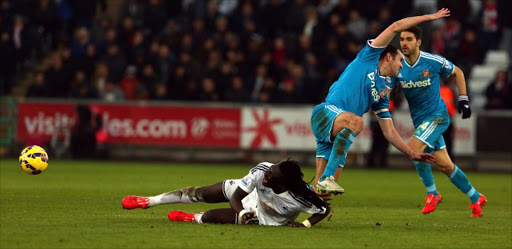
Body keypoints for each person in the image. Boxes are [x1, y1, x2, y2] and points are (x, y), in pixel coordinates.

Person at [311, 10, 448, 197]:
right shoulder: (368, 57)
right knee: (357, 121)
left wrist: (411, 153)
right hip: (327, 113)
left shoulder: (382, 94)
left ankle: (283, 211)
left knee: (321, 195)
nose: (402, 66)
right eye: (400, 60)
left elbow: (389, 131)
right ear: (389, 57)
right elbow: (395, 26)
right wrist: (427, 18)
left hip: (337, 132)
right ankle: (327, 178)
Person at [387, 25, 486, 217]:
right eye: (402, 40)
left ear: (419, 42)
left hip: (438, 116)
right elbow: (388, 89)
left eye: (409, 39)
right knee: (445, 166)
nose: (404, 43)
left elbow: (458, 72)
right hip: (421, 122)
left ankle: (432, 193)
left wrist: (463, 98)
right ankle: (476, 197)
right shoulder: (398, 66)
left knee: (413, 149)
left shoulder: (431, 61)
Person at [122, 160, 331, 227]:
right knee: (202, 193)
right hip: (245, 194)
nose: (266, 174)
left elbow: (324, 208)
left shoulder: (300, 197)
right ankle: (149, 201)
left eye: (271, 175)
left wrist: (304, 224)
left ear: (283, 182)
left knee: (211, 217)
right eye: (269, 170)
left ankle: (191, 218)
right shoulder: (262, 172)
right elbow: (236, 197)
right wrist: (240, 212)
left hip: (263, 216)